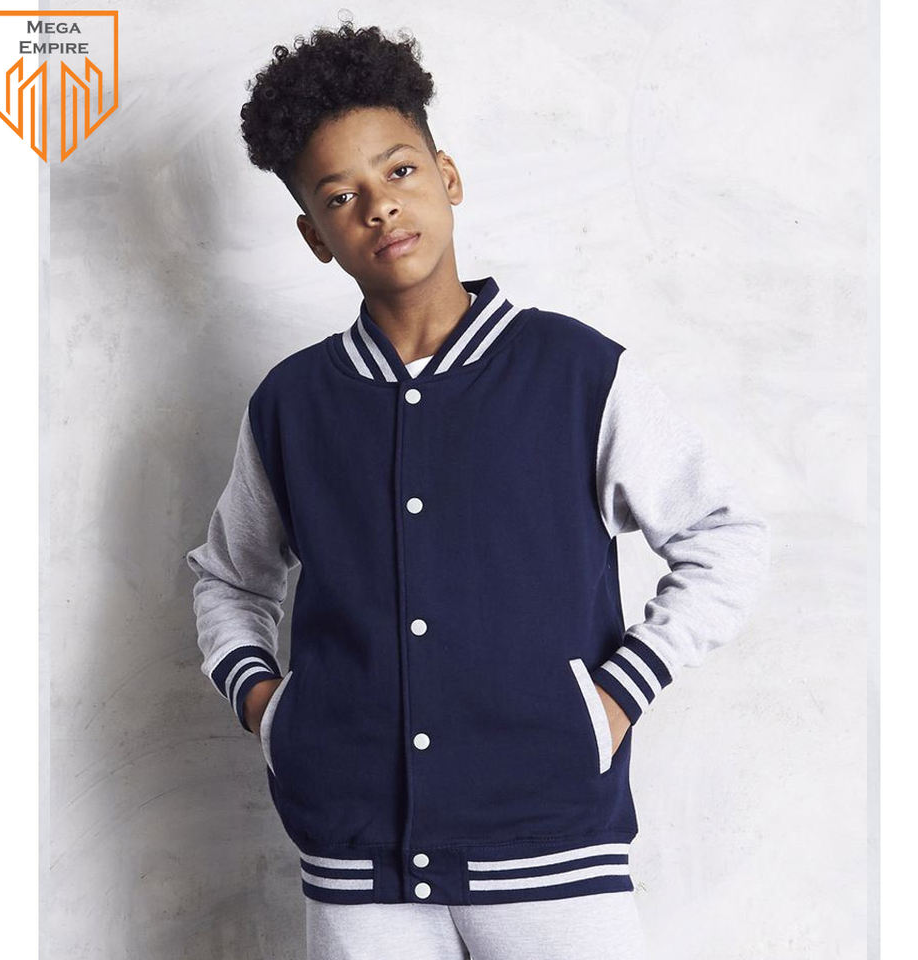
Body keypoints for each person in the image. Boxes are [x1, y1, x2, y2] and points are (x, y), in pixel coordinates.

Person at [185, 19, 771, 960]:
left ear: (447, 175)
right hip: (357, 862)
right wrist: (269, 707)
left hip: (553, 848)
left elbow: (723, 537)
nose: (380, 206)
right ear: (314, 236)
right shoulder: (293, 404)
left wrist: (615, 697)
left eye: (400, 171)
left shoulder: (576, 373)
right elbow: (229, 578)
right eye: (341, 196)